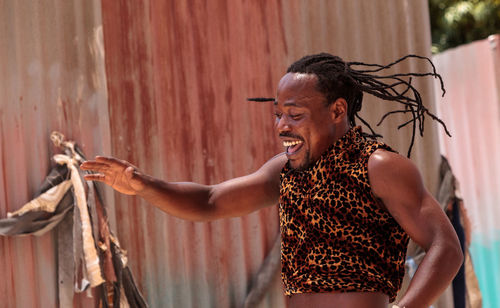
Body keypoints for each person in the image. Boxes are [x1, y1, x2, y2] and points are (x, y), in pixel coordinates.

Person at [81, 53, 463, 308]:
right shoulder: (285, 171)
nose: (282, 126)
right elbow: (211, 201)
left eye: (294, 115)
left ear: (337, 110)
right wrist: (144, 185)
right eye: (277, 114)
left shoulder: (379, 166)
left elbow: (446, 246)